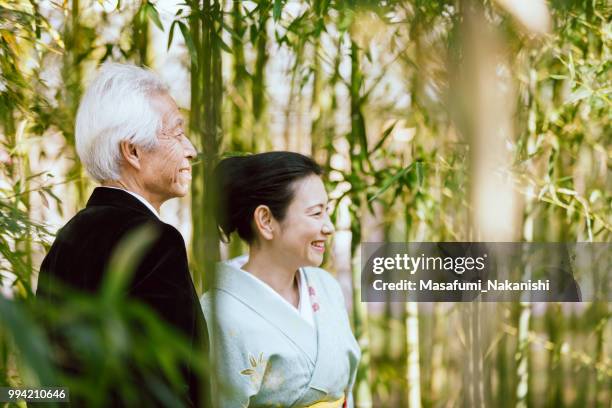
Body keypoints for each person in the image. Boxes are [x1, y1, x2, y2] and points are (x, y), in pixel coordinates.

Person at [37, 63, 206, 407]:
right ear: (132, 151)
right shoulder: (154, 241)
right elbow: (162, 388)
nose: (191, 149)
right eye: (176, 133)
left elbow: (43, 385)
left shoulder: (67, 240)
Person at [201, 151, 361, 407]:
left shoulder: (326, 287)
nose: (328, 227)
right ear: (266, 220)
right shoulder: (218, 312)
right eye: (316, 213)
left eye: (326, 212)